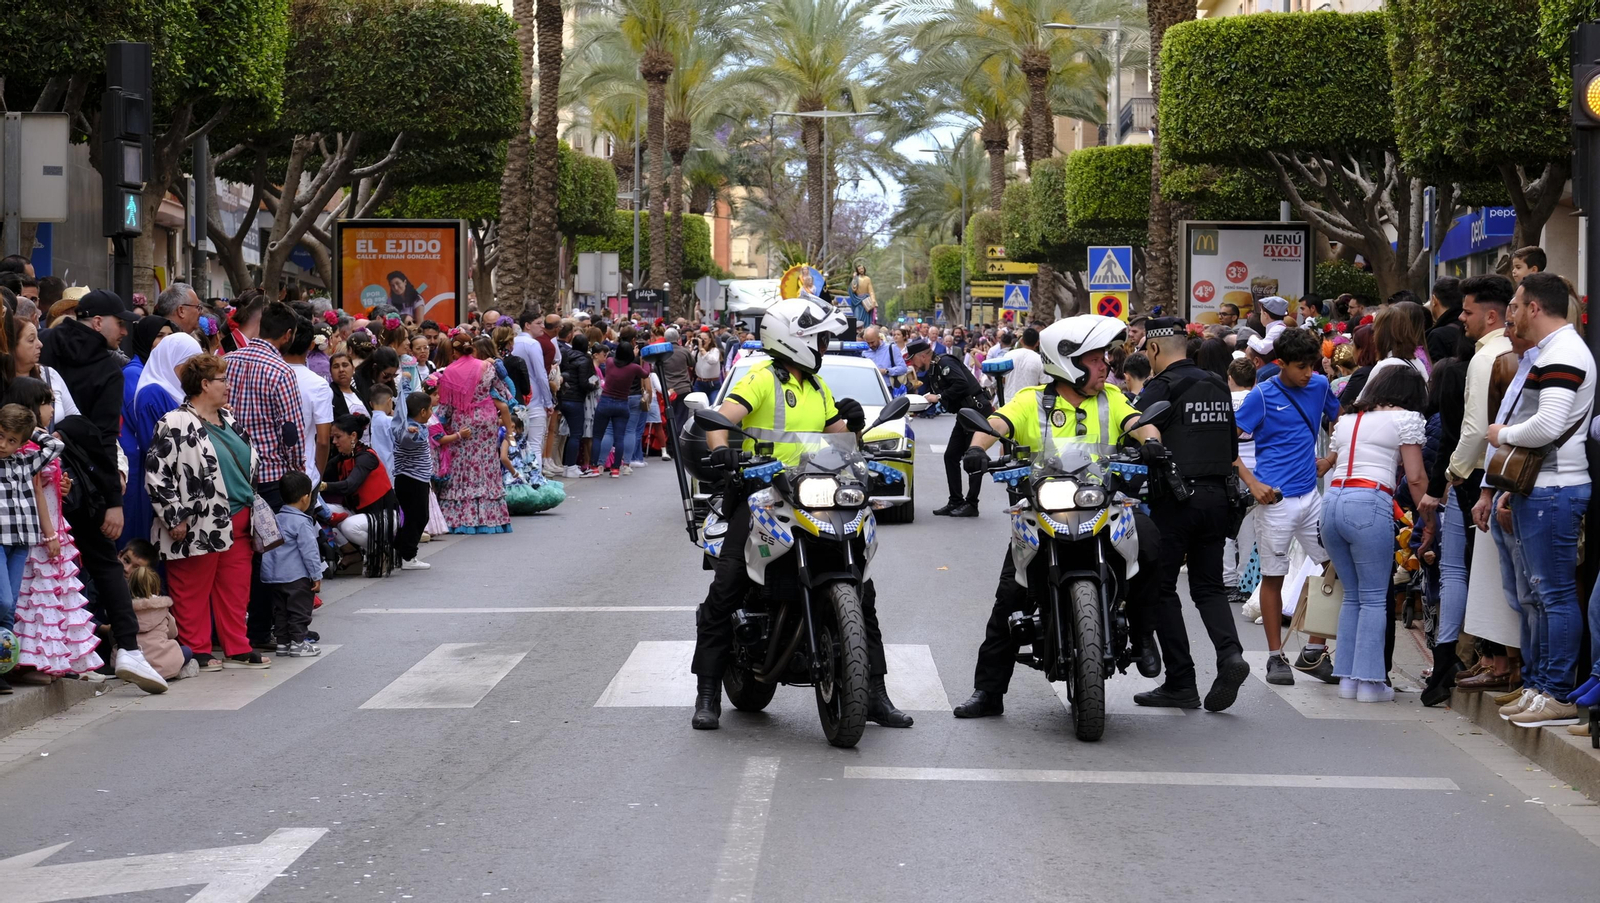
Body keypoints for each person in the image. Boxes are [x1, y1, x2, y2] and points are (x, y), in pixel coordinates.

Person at [689, 295, 908, 731]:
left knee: (862, 595)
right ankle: (709, 692)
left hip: (813, 494)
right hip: (760, 495)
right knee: (728, 585)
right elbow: (721, 419)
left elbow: (836, 436)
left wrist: (853, 424)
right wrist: (722, 454)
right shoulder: (760, 378)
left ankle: (876, 694)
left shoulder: (815, 386)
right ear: (794, 339)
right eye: (820, 339)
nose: (825, 347)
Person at [949, 315, 1163, 719]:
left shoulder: (1112, 399)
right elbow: (997, 422)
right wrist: (977, 449)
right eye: (1096, 358)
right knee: (1010, 594)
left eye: (1104, 357)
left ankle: (1143, 633)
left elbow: (1140, 424)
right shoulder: (1032, 400)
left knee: (1150, 548)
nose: (1105, 365)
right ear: (1069, 362)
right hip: (1042, 510)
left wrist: (1151, 443)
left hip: (1103, 506)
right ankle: (988, 692)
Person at [38, 289, 168, 692]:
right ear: (97, 322)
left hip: (35, 473)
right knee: (103, 561)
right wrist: (113, 500)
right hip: (83, 480)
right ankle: (128, 648)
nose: (125, 330)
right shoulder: (109, 370)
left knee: (47, 568)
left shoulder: (44, 353)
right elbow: (104, 439)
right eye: (120, 322)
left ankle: (57, 652)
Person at [1487, 272, 1593, 728]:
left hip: (1556, 488)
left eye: (1515, 304)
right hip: (1545, 487)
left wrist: (1501, 434)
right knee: (1543, 593)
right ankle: (1543, 688)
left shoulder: (1565, 352)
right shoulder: (1555, 351)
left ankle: (1556, 692)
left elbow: (1547, 425)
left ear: (1534, 307)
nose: (1511, 313)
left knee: (1553, 594)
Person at [1130, 318, 1249, 711]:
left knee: (1161, 588)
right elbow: (1231, 444)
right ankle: (1230, 655)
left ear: (1153, 350)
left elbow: (1130, 433)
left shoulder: (1160, 388)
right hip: (1219, 499)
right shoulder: (1217, 385)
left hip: (1176, 502)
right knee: (1209, 587)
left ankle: (1181, 680)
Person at [1419, 274, 1514, 703]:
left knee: (1475, 571)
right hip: (1498, 474)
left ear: (1490, 314)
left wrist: (1455, 473)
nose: (1462, 318)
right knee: (1493, 573)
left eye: (1469, 311)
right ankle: (1484, 658)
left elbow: (1475, 429)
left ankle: (1474, 659)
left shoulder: (1484, 357)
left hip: (1479, 475)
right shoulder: (1513, 352)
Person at [1233, 326, 1342, 685]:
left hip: (1311, 496)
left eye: (1312, 365)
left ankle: (1313, 652)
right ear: (1281, 363)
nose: (1308, 373)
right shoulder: (1261, 395)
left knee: (1334, 567)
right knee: (1273, 576)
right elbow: (1226, 443)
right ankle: (1275, 657)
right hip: (1275, 500)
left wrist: (1330, 458)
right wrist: (1253, 483)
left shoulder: (1321, 386)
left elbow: (1340, 424)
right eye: (1300, 367)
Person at [146, 353, 268, 671]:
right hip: (197, 521)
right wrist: (174, 516)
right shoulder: (174, 421)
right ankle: (198, 649)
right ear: (204, 384)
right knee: (191, 587)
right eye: (222, 380)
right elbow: (157, 473)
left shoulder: (230, 419)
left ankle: (237, 646)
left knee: (235, 588)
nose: (228, 386)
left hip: (240, 518)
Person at [0, 399, 78, 688]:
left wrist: (29, 429)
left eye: (12, 440)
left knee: (9, 609)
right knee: (4, 600)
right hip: (0, 540)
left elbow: (55, 447)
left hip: (21, 541)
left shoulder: (24, 461)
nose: (4, 445)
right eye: (1, 436)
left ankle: (2, 669)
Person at [433, 332, 512, 533]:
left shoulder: (449, 372)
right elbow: (504, 394)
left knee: (464, 465)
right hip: (487, 419)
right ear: (472, 348)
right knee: (486, 463)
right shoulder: (487, 367)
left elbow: (445, 406)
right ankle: (491, 517)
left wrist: (437, 423)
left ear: (454, 351)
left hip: (463, 421)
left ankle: (461, 517)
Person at [904, 336, 991, 517]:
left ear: (922, 356)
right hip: (964, 414)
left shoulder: (944, 362)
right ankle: (956, 501)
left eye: (912, 359)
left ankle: (972, 504)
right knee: (951, 456)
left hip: (975, 411)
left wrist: (940, 397)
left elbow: (961, 383)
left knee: (973, 458)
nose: (912, 363)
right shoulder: (934, 368)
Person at [321, 413, 398, 576]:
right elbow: (321, 472)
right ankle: (352, 554)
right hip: (359, 513)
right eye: (332, 438)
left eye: (337, 437)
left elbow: (350, 485)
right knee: (320, 509)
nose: (334, 442)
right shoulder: (342, 458)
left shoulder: (366, 457)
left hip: (384, 515)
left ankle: (381, 553)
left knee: (348, 526)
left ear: (353, 436)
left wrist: (324, 486)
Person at [262, 472, 322, 656]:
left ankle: (283, 643)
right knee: (299, 610)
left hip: (275, 577)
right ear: (305, 498)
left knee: (281, 611)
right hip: (297, 577)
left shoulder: (275, 519)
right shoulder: (302, 522)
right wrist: (316, 575)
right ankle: (298, 643)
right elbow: (310, 552)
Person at [1223, 357, 1258, 608]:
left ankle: (1227, 579)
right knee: (1250, 529)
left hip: (1230, 470)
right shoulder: (1259, 399)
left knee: (1227, 530)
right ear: (1254, 380)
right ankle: (1247, 580)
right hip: (1256, 470)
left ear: (1230, 378)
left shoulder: (1223, 403)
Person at [283, 317, 334, 486]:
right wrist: (317, 474)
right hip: (305, 475)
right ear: (311, 345)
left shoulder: (268, 374)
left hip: (269, 472)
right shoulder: (318, 384)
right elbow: (323, 439)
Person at [389, 392, 435, 570]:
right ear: (422, 411)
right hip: (414, 480)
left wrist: (406, 381)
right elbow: (409, 439)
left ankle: (398, 551)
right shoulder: (411, 429)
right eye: (430, 409)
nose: (432, 412)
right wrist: (411, 433)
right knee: (418, 517)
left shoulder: (403, 423)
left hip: (408, 479)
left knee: (412, 518)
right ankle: (408, 556)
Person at [592, 342, 649, 478]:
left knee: (599, 436)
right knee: (620, 438)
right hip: (622, 403)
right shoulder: (634, 368)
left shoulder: (610, 362)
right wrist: (644, 359)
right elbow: (645, 374)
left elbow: (611, 357)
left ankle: (595, 466)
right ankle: (616, 469)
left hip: (605, 401)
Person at [510, 311, 553, 471]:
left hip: (516, 398)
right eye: (539, 323)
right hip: (534, 399)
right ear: (527, 325)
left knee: (518, 444)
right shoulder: (533, 345)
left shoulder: (513, 342)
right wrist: (548, 401)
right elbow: (541, 375)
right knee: (535, 444)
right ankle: (536, 480)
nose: (543, 327)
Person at [557, 333, 596, 478]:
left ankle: (565, 464)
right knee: (576, 434)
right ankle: (571, 466)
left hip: (563, 397)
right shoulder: (585, 360)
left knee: (566, 434)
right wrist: (594, 384)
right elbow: (584, 383)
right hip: (575, 400)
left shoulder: (565, 355)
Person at [693, 330, 723, 395]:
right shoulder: (696, 351)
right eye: (701, 339)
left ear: (710, 340)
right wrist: (691, 346)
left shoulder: (715, 350)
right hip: (699, 383)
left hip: (712, 384)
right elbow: (690, 359)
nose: (703, 341)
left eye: (705, 339)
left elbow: (712, 361)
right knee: (697, 404)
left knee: (713, 404)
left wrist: (702, 350)